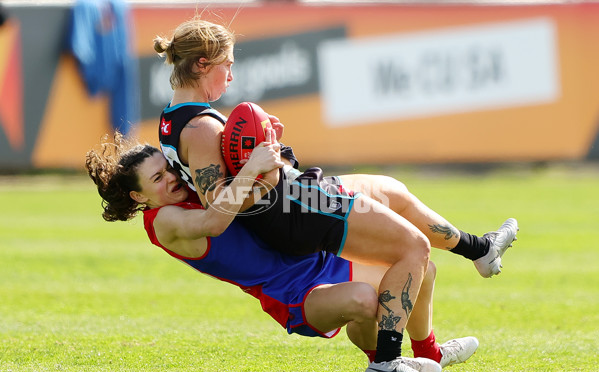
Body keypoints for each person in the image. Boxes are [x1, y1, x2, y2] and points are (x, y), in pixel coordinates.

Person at [85, 131, 480, 372]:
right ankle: (385, 361)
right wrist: (252, 166)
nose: (171, 178)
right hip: (290, 294)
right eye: (157, 179)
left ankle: (427, 353)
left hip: (318, 259)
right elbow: (211, 223)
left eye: (167, 169)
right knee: (365, 299)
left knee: (419, 269)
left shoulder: (187, 187)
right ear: (139, 197)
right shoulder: (163, 221)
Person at [152, 17, 518, 279]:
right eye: (226, 66)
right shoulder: (201, 127)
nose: (230, 76)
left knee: (393, 191)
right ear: (202, 64)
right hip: (290, 207)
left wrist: (272, 150)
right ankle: (389, 358)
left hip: (291, 194)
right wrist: (265, 166)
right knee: (409, 246)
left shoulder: (173, 117)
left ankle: (479, 250)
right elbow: (222, 205)